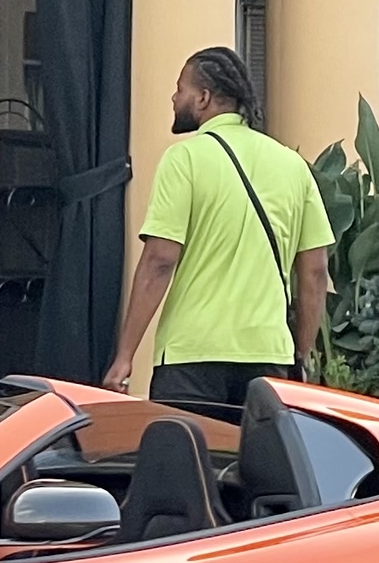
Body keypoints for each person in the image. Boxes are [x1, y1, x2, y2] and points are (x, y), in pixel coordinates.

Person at [103, 46, 331, 406]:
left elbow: (159, 261)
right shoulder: (292, 166)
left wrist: (124, 357)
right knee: (257, 462)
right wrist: (300, 355)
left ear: (204, 98)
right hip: (268, 357)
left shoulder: (185, 160)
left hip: (192, 359)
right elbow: (315, 272)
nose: (174, 97)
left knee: (191, 459)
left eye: (181, 89)